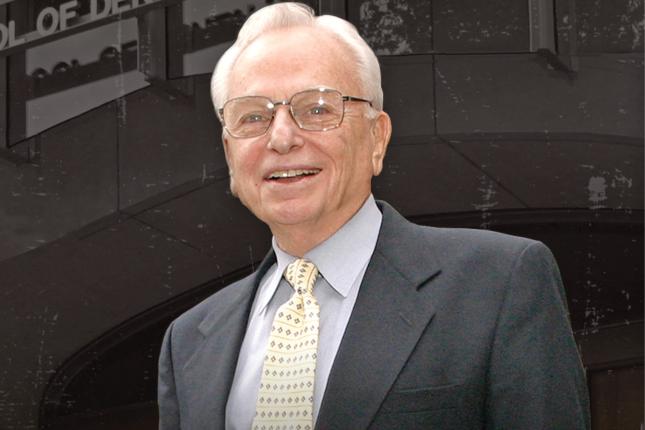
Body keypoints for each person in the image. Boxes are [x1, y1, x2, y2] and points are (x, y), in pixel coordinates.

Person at [157, 3, 590, 429]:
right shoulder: (190, 341)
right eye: (253, 117)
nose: (282, 138)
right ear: (230, 155)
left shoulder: (498, 283)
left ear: (377, 138)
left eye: (317, 109)